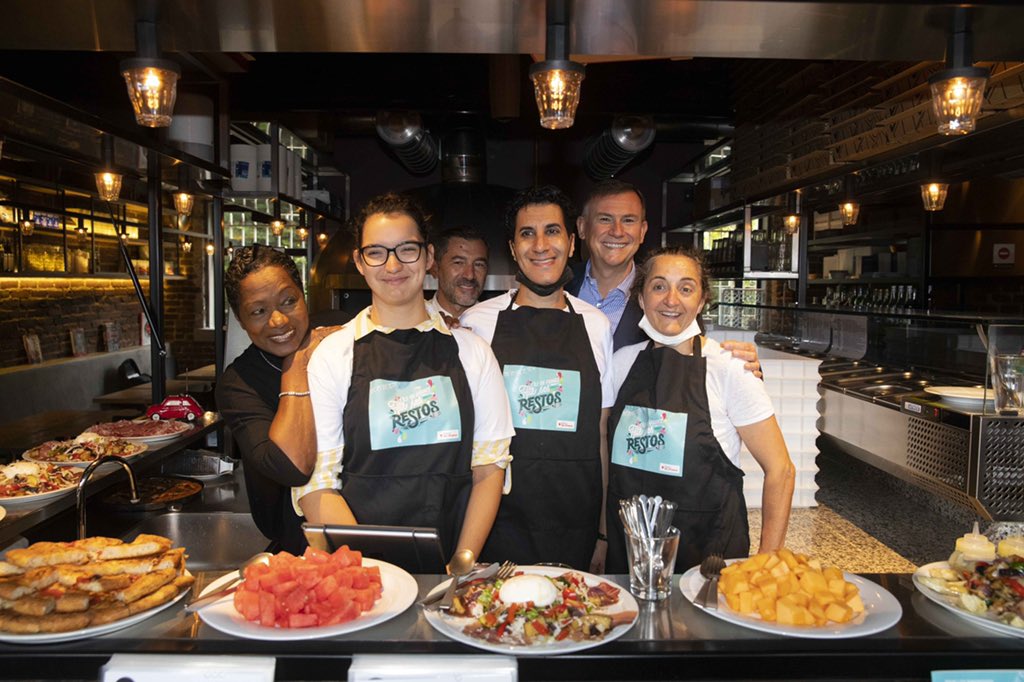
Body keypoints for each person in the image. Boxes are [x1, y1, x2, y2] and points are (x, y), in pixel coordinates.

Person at [292, 193, 514, 563]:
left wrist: (461, 563)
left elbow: (489, 468)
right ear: (360, 262)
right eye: (376, 252)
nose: (392, 265)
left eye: (407, 250)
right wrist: (371, 573)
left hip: (454, 559)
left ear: (428, 258)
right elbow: (319, 485)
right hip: (363, 566)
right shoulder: (333, 355)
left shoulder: (473, 352)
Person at [605, 245, 795, 573]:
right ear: (641, 298)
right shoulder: (621, 363)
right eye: (659, 286)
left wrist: (766, 562)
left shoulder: (730, 367)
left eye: (686, 288)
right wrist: (602, 536)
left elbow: (781, 470)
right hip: (631, 552)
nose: (671, 300)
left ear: (702, 300)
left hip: (709, 557)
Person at [461, 185, 614, 570]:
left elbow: (600, 433)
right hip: (499, 522)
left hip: (576, 521)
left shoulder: (596, 325)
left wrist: (602, 532)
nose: (541, 245)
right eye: (527, 234)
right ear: (513, 249)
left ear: (572, 242)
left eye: (552, 231)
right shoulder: (477, 323)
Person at [217, 245, 349, 554]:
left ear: (304, 296)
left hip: (372, 516)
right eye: (258, 311)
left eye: (289, 301)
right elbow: (292, 468)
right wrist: (297, 363)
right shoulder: (239, 385)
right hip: (299, 546)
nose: (278, 321)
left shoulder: (339, 332)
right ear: (240, 319)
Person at [571, 179, 762, 376]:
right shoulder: (558, 288)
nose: (617, 231)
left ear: (642, 231)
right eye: (605, 219)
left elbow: (693, 366)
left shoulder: (664, 300)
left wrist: (744, 370)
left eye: (628, 220)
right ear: (582, 227)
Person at [425, 225, 489, 322]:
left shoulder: (499, 323)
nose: (470, 275)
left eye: (479, 264)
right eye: (458, 263)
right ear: (435, 269)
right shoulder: (415, 321)